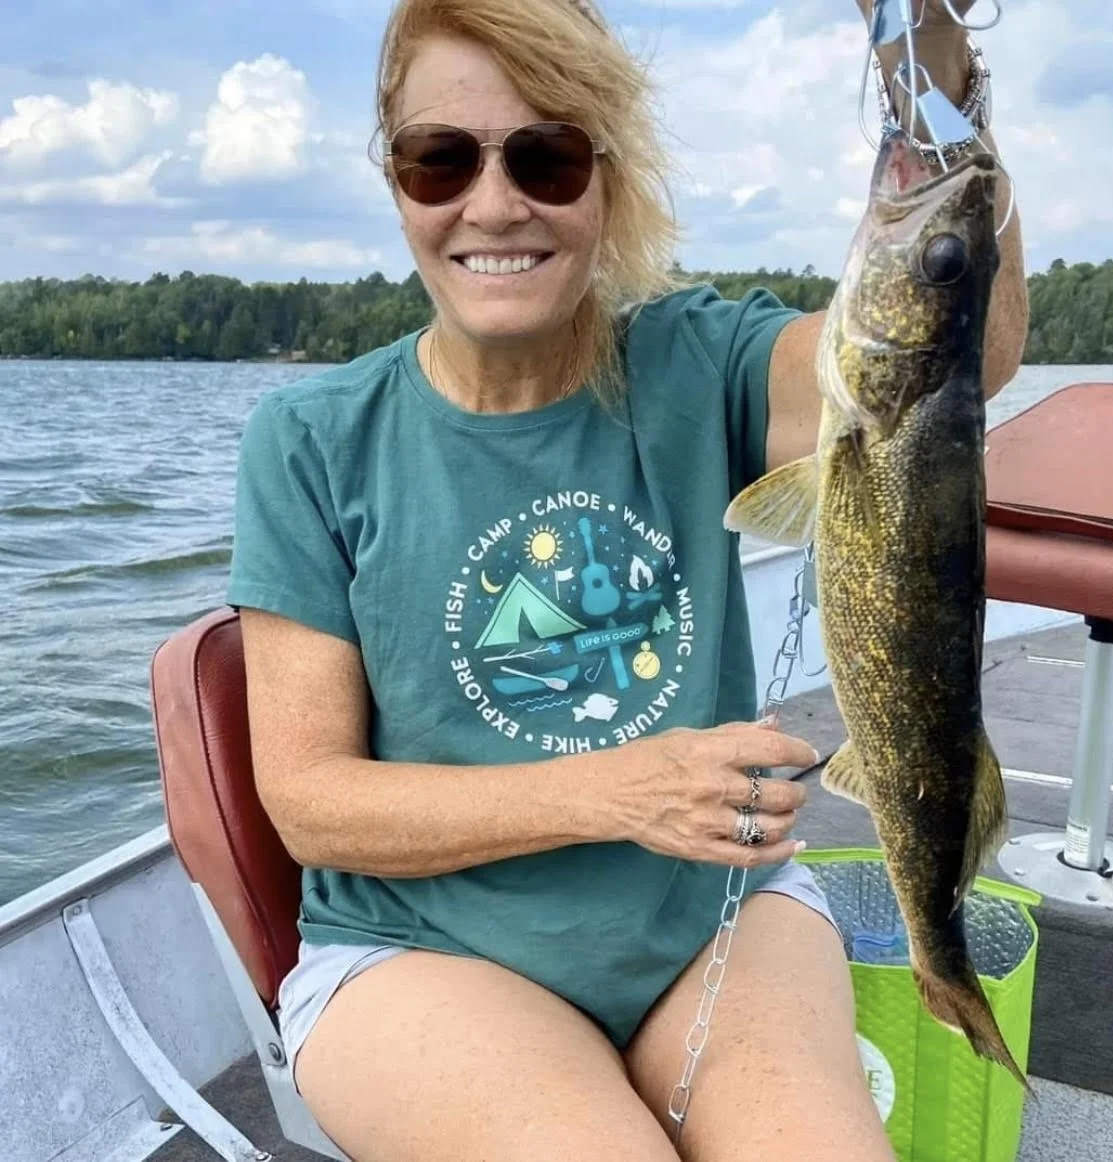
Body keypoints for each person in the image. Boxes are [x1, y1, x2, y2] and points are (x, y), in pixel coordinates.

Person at [226, 0, 1027, 1158]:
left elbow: (963, 348)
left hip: (715, 913)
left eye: (547, 158)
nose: (493, 204)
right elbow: (310, 802)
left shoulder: (697, 359)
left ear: (607, 180)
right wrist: (617, 792)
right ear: (395, 179)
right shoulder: (309, 438)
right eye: (439, 158)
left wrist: (933, 61)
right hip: (422, 950)